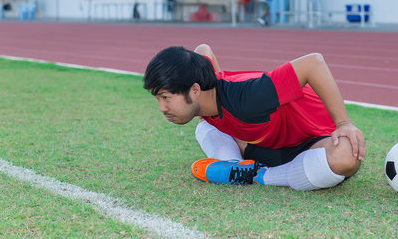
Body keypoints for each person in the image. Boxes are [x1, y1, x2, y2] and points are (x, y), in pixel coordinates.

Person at [143, 44, 365, 191]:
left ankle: (258, 175)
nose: (162, 107)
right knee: (204, 126)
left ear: (194, 90)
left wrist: (343, 123)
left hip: (310, 142)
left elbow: (313, 63)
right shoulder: (204, 94)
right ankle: (234, 166)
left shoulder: (249, 96)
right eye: (158, 99)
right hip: (266, 145)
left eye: (166, 97)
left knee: (346, 158)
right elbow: (203, 50)